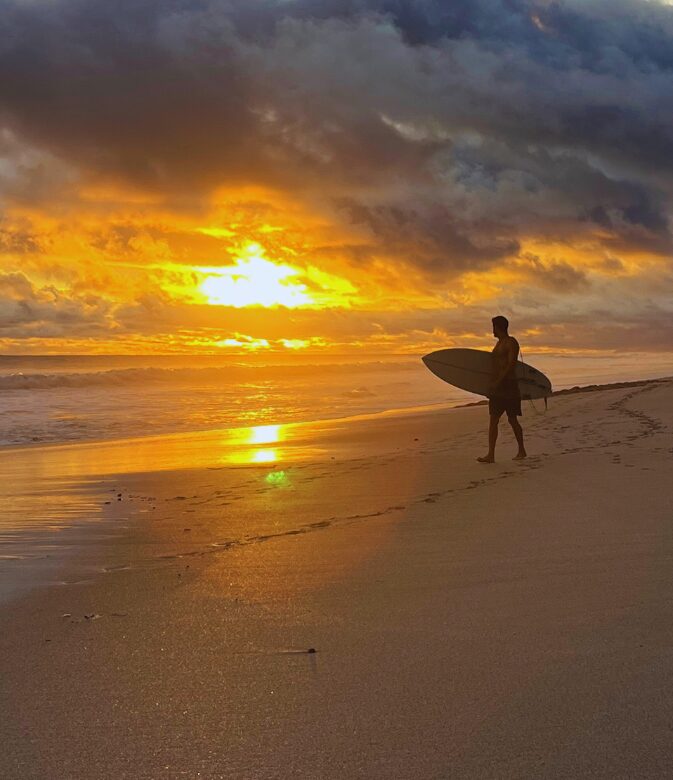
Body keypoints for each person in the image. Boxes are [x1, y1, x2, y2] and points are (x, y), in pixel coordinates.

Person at [477, 315, 527, 463]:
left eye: (493, 327)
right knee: (493, 420)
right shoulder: (498, 345)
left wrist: (498, 382)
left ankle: (522, 450)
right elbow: (494, 367)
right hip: (497, 389)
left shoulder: (511, 342)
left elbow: (511, 365)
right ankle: (490, 455)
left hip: (509, 386)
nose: (492, 330)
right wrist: (490, 386)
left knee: (512, 420)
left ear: (498, 327)